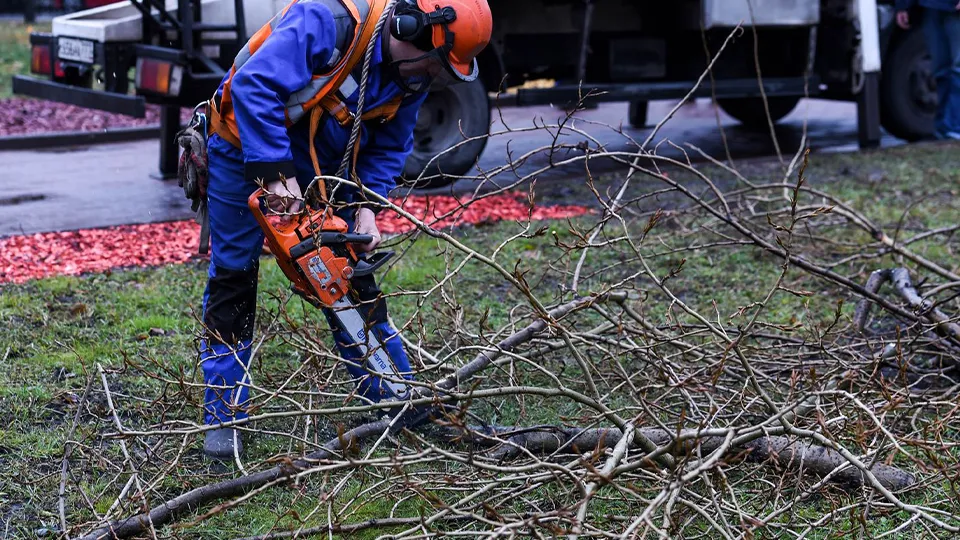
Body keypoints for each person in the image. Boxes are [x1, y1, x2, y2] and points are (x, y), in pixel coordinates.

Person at [198, 0, 493, 459]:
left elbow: (390, 147)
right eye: (434, 64)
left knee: (347, 274)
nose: (432, 76)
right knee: (234, 278)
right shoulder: (328, 21)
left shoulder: (412, 77)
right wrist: (275, 174)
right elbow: (254, 85)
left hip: (320, 162)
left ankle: (395, 396)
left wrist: (366, 207)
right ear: (408, 28)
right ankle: (223, 415)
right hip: (243, 147)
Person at [896, 0, 960, 139]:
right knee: (941, 70)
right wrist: (903, 6)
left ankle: (954, 127)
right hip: (930, 8)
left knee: (957, 70)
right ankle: (944, 129)